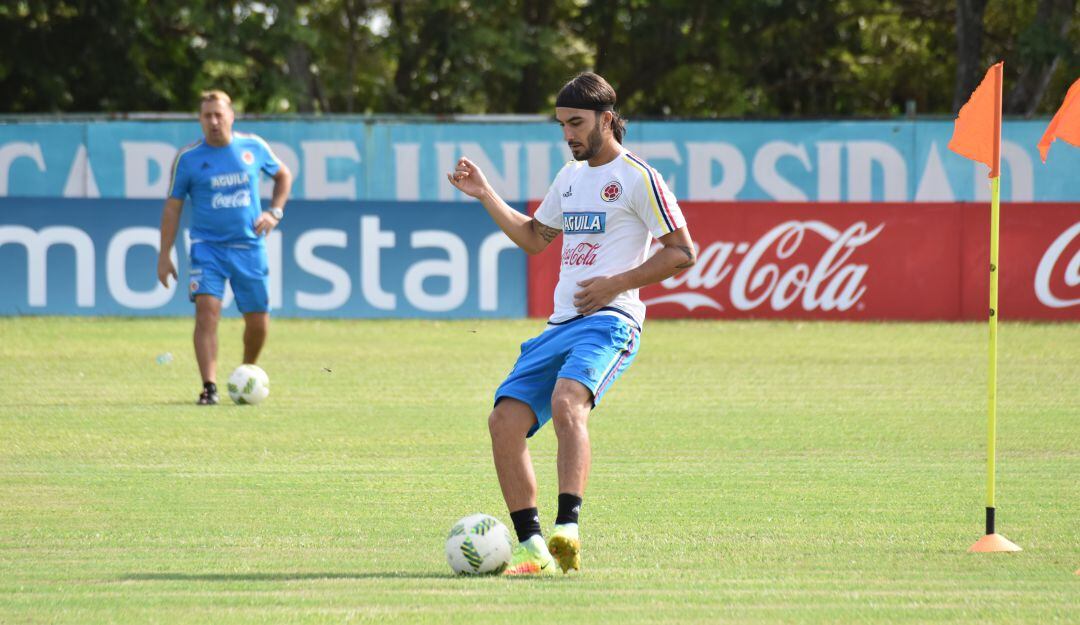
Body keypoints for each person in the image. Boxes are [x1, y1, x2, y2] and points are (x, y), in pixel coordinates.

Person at [447, 72, 696, 575]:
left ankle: (568, 531)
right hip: (560, 324)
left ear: (608, 119)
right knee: (504, 422)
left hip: (612, 319)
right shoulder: (569, 177)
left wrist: (614, 284)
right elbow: (537, 238)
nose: (569, 134)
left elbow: (682, 253)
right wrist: (486, 193)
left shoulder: (638, 177)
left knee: (566, 402)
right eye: (562, 124)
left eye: (577, 123)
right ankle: (533, 548)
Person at [157, 90, 293, 405]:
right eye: (207, 116)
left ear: (232, 116)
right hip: (208, 248)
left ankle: (247, 372)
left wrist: (275, 212)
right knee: (207, 313)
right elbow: (172, 207)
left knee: (258, 321)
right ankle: (209, 387)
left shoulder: (253, 148)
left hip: (249, 246)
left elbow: (283, 175)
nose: (214, 121)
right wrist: (164, 254)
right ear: (200, 120)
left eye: (219, 114)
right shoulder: (188, 159)